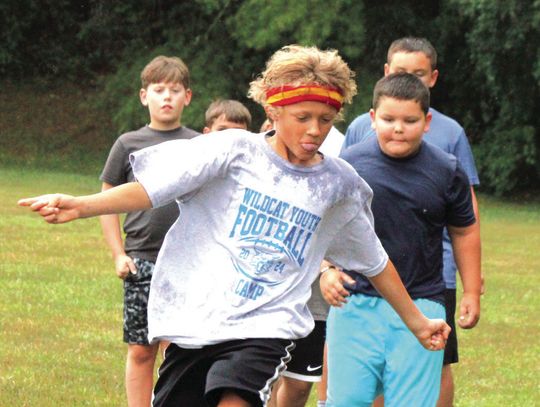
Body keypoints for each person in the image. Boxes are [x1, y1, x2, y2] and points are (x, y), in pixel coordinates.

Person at [18, 45, 450, 407]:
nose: (315, 130)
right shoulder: (231, 151)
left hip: (268, 325)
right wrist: (82, 205)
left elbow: (373, 260)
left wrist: (416, 322)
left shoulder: (339, 186)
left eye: (325, 119)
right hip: (199, 318)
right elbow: (152, 189)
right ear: (273, 109)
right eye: (303, 117)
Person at [323, 72, 481, 407]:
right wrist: (326, 270)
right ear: (371, 119)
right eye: (388, 119)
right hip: (355, 302)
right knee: (346, 400)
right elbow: (323, 226)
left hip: (421, 301)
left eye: (409, 120)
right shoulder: (348, 166)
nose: (398, 128)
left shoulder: (446, 169)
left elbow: (464, 229)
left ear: (426, 122)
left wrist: (470, 291)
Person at [98, 55, 199, 407]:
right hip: (142, 260)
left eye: (175, 90)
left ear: (188, 97)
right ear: (145, 96)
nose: (167, 97)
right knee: (142, 349)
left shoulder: (199, 144)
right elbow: (106, 200)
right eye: (159, 90)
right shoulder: (128, 143)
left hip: (189, 261)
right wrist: (118, 254)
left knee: (179, 350)